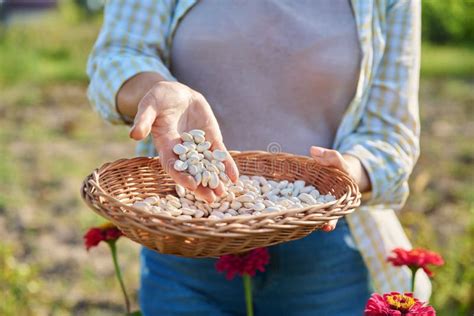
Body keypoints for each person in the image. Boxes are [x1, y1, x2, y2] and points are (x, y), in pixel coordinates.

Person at [87, 0, 431, 314]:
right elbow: (119, 54)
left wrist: (345, 174)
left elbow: (390, 135)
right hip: (186, 246)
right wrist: (155, 89)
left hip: (324, 258)